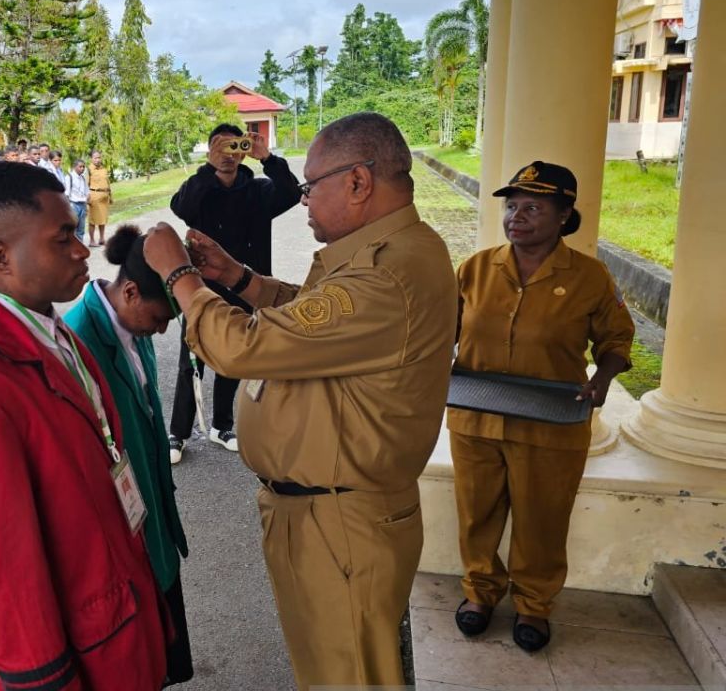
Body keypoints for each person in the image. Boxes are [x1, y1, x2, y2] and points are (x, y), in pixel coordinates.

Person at [141, 112, 458, 689]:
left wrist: (180, 276)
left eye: (312, 187)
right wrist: (238, 277)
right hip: (330, 511)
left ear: (359, 183)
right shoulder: (385, 253)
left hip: (340, 521)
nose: (303, 199)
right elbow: (311, 309)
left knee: (348, 677)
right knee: (330, 669)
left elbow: (240, 347)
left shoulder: (387, 273)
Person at [0, 162, 168, 690]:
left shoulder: (55, 336)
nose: (81, 250)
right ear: (1, 257)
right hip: (79, 657)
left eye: (77, 231)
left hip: (115, 625)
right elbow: (2, 581)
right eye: (64, 237)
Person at [449, 161, 634, 653]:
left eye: (533, 207)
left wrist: (603, 376)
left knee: (543, 519)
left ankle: (533, 604)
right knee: (476, 513)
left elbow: (616, 339)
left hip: (553, 422)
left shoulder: (590, 277)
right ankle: (480, 593)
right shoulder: (475, 267)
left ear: (564, 214)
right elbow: (442, 328)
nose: (518, 217)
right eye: (512, 206)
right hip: (475, 413)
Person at [64, 224, 193, 685]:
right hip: (123, 538)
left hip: (152, 520)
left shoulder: (133, 327)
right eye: (160, 318)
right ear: (132, 291)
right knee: (137, 662)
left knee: (162, 654)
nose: (161, 330)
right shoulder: (80, 343)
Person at [166, 124, 301, 462]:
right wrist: (207, 168)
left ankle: (222, 425)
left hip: (247, 287)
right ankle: (177, 433)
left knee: (235, 357)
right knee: (191, 360)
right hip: (201, 286)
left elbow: (292, 192)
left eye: (234, 146)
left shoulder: (258, 190)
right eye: (219, 146)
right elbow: (180, 207)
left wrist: (267, 158)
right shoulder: (201, 191)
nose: (227, 154)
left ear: (244, 150)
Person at [87, 151, 112, 247]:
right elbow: (85, 184)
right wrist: (87, 199)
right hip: (94, 197)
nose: (98, 160)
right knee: (93, 220)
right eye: (95, 158)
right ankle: (92, 240)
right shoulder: (88, 169)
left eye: (99, 157)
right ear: (91, 159)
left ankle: (102, 239)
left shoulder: (103, 169)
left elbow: (108, 183)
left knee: (103, 219)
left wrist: (111, 196)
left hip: (105, 196)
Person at [65, 159, 90, 245]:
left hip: (82, 204)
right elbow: (67, 194)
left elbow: (86, 193)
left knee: (81, 228)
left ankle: (80, 245)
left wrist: (86, 206)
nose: (82, 168)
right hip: (73, 204)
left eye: (83, 166)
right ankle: (72, 247)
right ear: (75, 167)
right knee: (73, 227)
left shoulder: (83, 178)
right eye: (80, 166)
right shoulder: (69, 177)